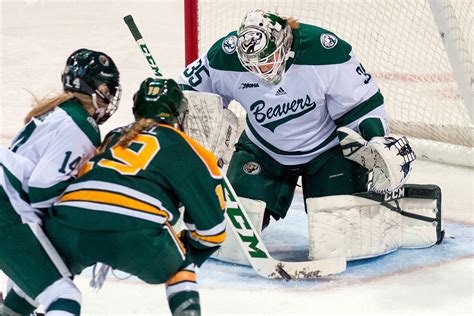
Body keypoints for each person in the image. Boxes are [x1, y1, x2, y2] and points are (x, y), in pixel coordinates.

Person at [177, 9, 415, 234]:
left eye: (266, 60)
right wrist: (175, 112)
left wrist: (374, 138)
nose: (260, 69)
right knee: (237, 226)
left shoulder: (326, 52)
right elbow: (189, 90)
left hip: (327, 152)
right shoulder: (225, 56)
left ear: (283, 45)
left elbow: (361, 103)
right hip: (263, 150)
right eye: (251, 64)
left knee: (338, 229)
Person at [42, 77, 226, 315]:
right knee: (181, 267)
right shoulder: (186, 146)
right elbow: (212, 232)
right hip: (135, 232)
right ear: (178, 114)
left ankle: (12, 309)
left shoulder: (113, 136)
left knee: (48, 272)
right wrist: (184, 249)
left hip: (68, 219)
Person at [0, 48, 121, 315]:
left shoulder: (55, 111)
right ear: (97, 88)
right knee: (64, 296)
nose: (110, 95)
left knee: (30, 284)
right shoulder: (82, 126)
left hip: (6, 193)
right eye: (108, 88)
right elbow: (43, 188)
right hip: (4, 200)